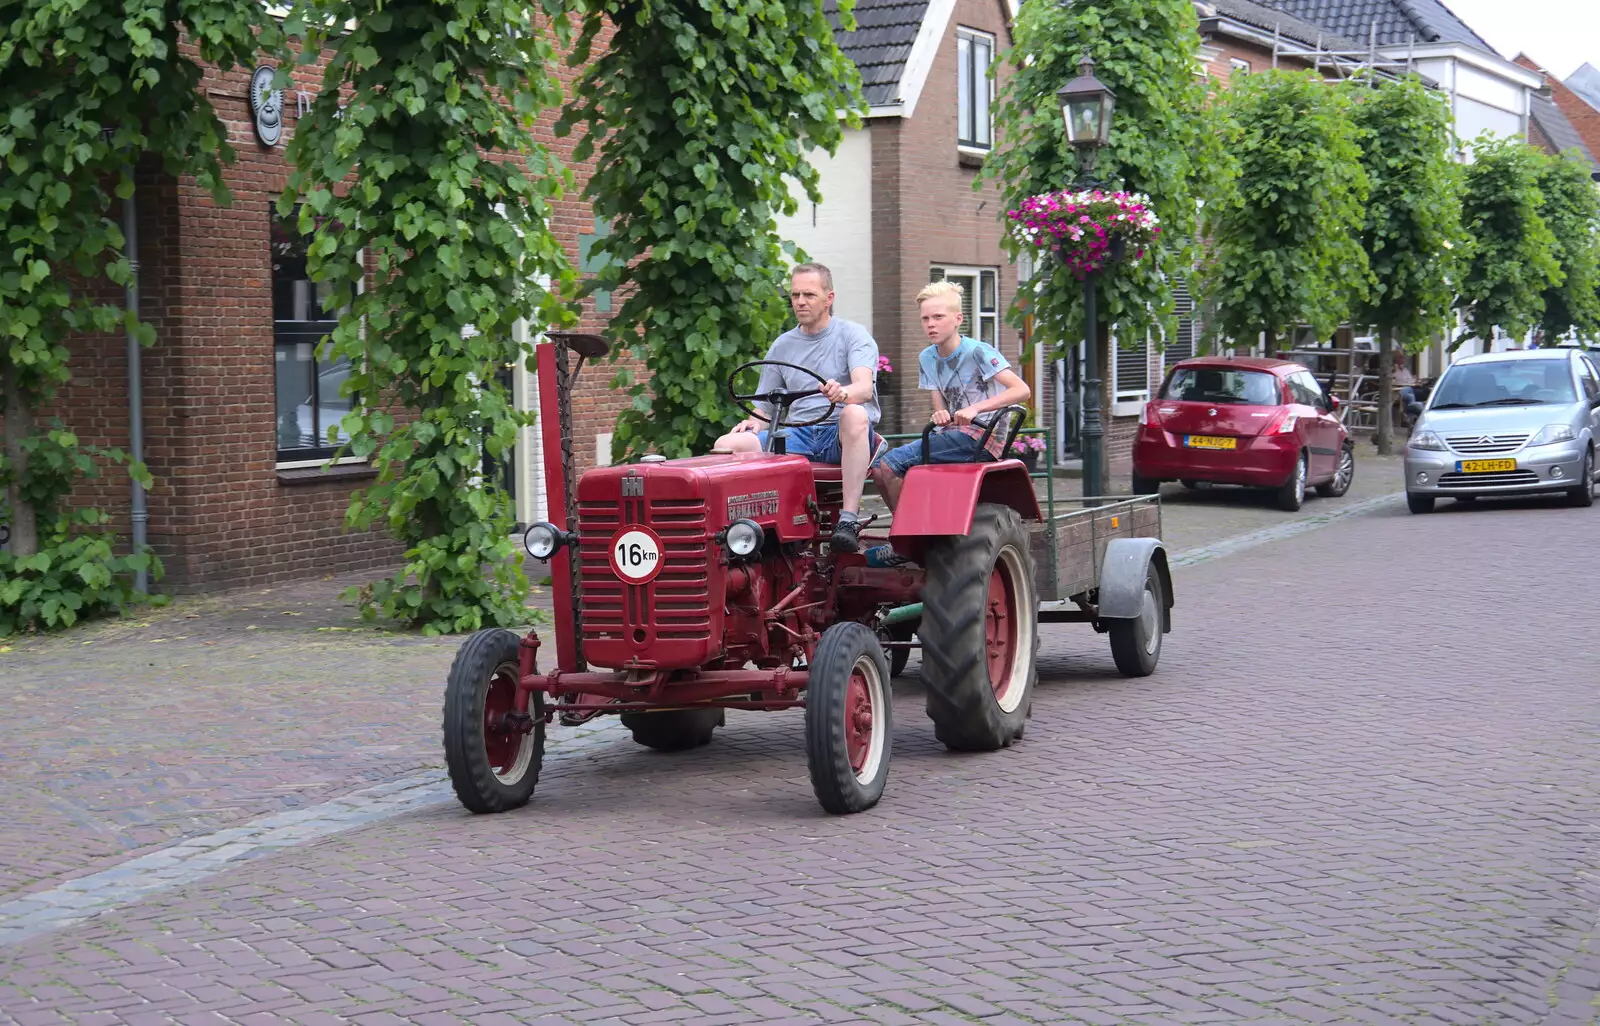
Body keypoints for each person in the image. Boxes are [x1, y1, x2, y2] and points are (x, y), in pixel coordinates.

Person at [712, 262, 885, 553]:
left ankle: (848, 520)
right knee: (728, 443)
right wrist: (755, 423)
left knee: (855, 413)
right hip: (798, 436)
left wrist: (842, 393)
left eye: (809, 294)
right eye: (795, 295)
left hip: (838, 435)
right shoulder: (783, 345)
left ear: (829, 298)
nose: (800, 302)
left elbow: (864, 388)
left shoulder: (852, 335)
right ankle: (742, 534)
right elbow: (766, 409)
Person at [870, 280, 1031, 512]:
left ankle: (909, 536)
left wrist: (976, 409)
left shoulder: (978, 351)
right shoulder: (927, 357)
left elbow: (1021, 390)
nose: (930, 325)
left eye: (938, 317)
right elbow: (939, 410)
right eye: (925, 319)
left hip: (982, 437)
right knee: (877, 470)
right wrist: (940, 414)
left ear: (958, 319)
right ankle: (912, 525)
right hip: (952, 434)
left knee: (889, 465)